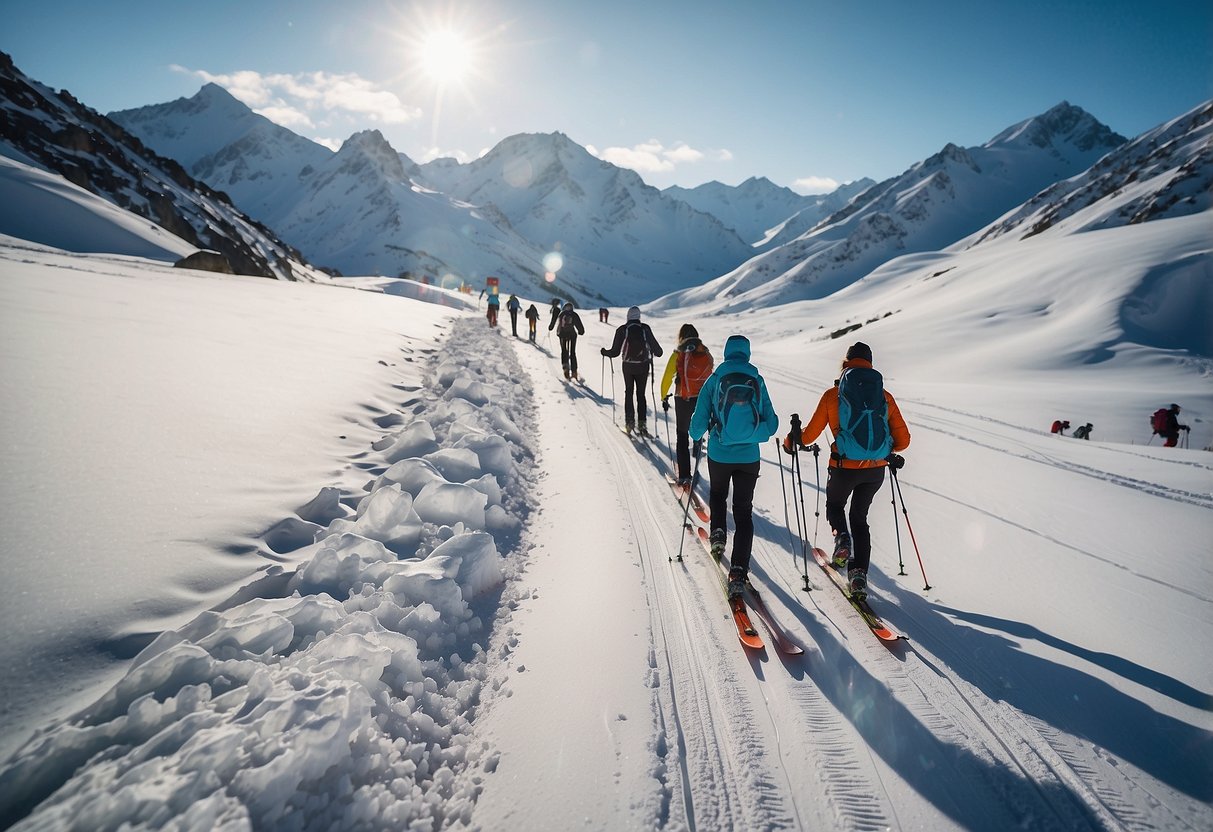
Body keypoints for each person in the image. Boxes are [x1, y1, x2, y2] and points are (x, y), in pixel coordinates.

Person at [784, 342, 910, 601]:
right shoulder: (883, 396)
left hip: (843, 468)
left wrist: (793, 438)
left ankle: (842, 540)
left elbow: (808, 436)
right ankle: (859, 575)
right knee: (860, 519)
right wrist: (881, 450)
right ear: (870, 364)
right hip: (875, 470)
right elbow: (904, 440)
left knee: (835, 506)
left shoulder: (833, 395)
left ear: (846, 363)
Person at [689, 335, 778, 599]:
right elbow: (772, 424)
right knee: (743, 512)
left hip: (720, 452)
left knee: (717, 494)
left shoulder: (715, 379)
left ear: (727, 353)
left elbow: (697, 426)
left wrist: (698, 434)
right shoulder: (757, 380)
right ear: (747, 353)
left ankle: (717, 533)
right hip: (749, 457)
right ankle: (738, 570)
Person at [660, 323, 714, 485]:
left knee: (682, 436)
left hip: (683, 398)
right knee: (699, 430)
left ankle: (684, 475)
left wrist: (663, 396)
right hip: (703, 398)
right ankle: (698, 445)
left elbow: (667, 376)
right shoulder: (705, 352)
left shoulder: (678, 353)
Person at [601, 306, 663, 436]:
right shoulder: (645, 329)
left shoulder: (622, 330)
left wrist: (604, 352)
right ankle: (642, 425)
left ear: (628, 316)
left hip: (628, 366)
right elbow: (659, 352)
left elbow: (615, 352)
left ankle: (629, 423)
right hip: (643, 366)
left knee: (629, 392)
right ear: (639, 316)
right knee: (641, 394)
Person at [550, 302, 585, 379]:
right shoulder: (574, 314)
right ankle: (574, 371)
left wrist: (551, 328)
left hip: (562, 335)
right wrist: (581, 331)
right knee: (572, 352)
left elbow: (557, 324)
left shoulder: (562, 314)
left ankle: (565, 367)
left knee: (564, 351)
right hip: (572, 335)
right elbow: (579, 325)